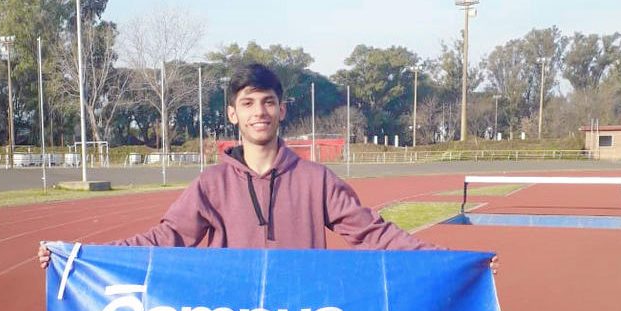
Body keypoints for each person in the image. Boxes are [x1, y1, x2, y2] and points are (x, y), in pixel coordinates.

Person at [39, 63, 495, 269]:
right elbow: (165, 238)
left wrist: (453, 261)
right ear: (233, 114)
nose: (259, 111)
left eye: (268, 102)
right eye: (248, 103)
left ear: (281, 110)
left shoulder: (317, 180)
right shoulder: (211, 184)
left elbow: (372, 234)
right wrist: (79, 257)